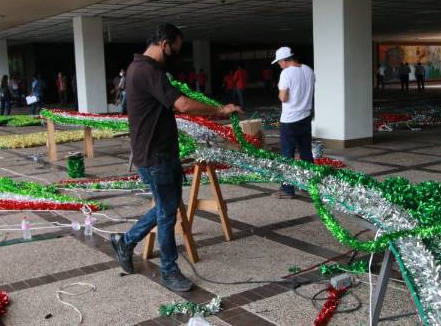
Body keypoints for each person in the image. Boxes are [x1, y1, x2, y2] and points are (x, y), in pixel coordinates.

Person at [109, 23, 242, 293]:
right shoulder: (147, 70)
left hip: (155, 154)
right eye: (175, 50)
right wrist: (220, 110)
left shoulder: (140, 68)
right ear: (164, 43)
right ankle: (169, 270)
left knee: (165, 208)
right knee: (168, 214)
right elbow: (181, 104)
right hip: (155, 156)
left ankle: (125, 241)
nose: (176, 56)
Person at [272, 46, 315, 199]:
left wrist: (280, 91)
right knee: (306, 153)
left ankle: (287, 189)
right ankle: (309, 186)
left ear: (285, 60)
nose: (279, 65)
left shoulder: (286, 73)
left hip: (290, 120)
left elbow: (283, 97)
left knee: (287, 155)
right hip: (305, 117)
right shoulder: (309, 70)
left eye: (279, 62)